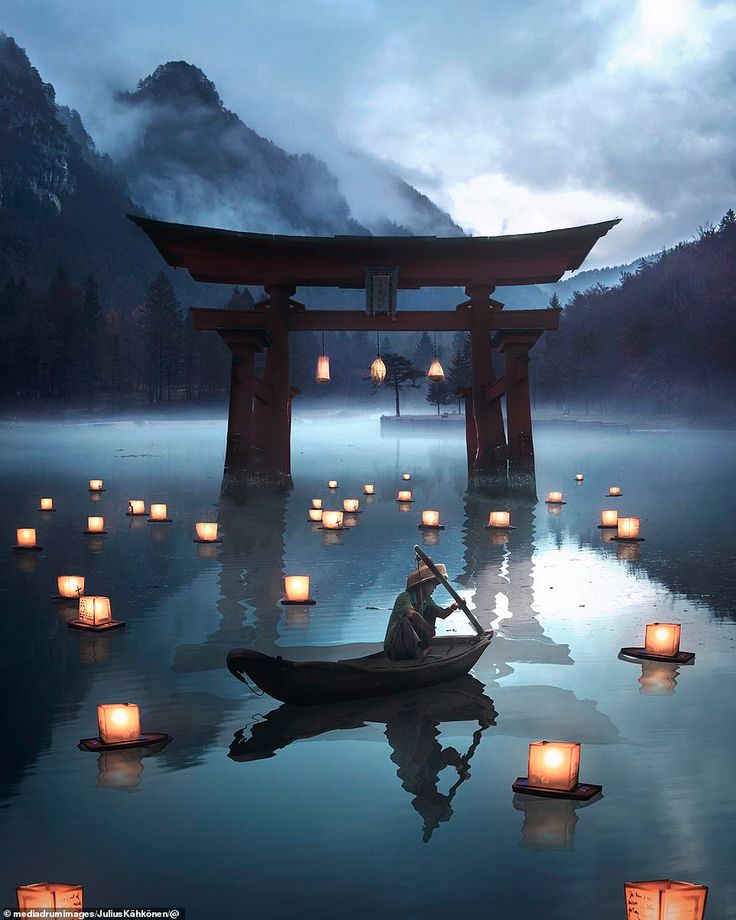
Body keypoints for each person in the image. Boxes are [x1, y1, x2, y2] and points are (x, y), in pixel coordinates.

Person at [384, 562, 459, 661]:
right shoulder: (405, 597)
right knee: (406, 620)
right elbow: (411, 614)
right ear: (423, 584)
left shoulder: (427, 600)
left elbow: (442, 614)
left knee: (431, 610)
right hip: (395, 649)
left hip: (410, 649)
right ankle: (420, 652)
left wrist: (454, 606)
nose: (435, 588)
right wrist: (427, 627)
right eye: (433, 584)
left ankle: (421, 648)